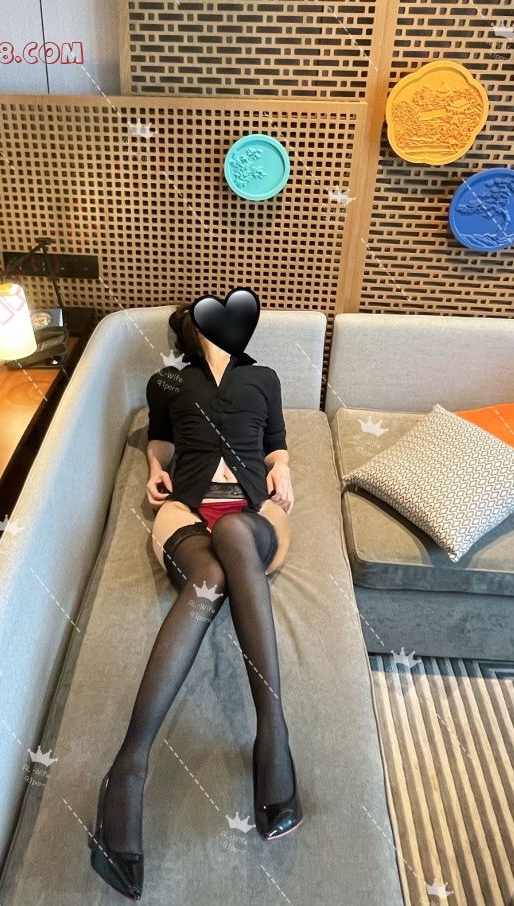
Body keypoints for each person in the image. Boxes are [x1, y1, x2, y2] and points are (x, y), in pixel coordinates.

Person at [90, 301, 302, 900]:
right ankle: (129, 766)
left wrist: (283, 471)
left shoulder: (263, 378)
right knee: (207, 575)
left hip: (254, 514)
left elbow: (277, 443)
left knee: (233, 532)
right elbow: (159, 443)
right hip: (185, 509)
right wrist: (153, 470)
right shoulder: (168, 382)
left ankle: (272, 733)